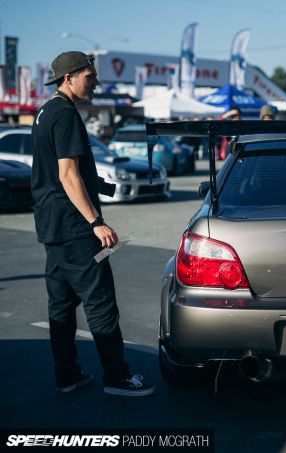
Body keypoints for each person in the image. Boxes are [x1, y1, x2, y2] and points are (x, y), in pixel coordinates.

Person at [31, 51, 154, 397]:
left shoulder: (44, 113)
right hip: (75, 229)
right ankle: (117, 377)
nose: (96, 82)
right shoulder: (66, 114)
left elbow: (55, 172)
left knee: (61, 306)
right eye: (90, 75)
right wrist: (96, 221)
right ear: (69, 79)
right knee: (100, 302)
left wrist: (98, 184)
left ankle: (66, 374)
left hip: (51, 227)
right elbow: (66, 174)